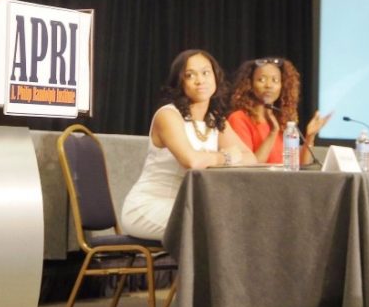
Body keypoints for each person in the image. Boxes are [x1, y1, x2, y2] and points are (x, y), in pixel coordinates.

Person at [121, 49, 256, 241]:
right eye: (190, 75)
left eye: (205, 73)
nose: (200, 80)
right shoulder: (168, 115)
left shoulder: (215, 120)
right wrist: (226, 156)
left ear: (216, 77)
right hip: (149, 206)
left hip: (185, 206)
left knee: (234, 219)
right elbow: (192, 161)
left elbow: (251, 158)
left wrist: (213, 158)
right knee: (209, 225)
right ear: (180, 82)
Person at [228, 57, 332, 165]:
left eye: (275, 80)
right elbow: (247, 166)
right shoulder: (239, 118)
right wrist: (273, 132)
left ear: (282, 86)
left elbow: (299, 165)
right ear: (250, 84)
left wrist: (310, 136)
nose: (269, 85)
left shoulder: (282, 119)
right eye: (261, 80)